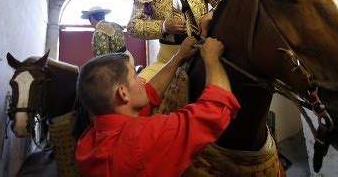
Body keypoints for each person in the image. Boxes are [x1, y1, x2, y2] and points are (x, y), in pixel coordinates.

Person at [75, 37, 240, 177]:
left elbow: (149, 93)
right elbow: (216, 109)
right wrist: (211, 57)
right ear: (123, 93)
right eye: (135, 75)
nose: (142, 80)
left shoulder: (87, 141)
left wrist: (178, 56)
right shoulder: (141, 139)